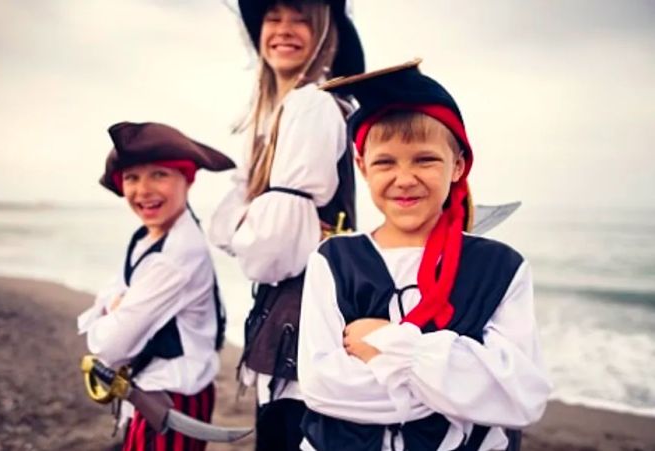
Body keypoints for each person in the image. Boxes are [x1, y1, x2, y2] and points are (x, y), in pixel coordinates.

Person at [297, 60, 551, 450]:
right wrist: (451, 391)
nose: (404, 178)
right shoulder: (333, 260)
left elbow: (520, 396)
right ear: (363, 167)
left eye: (425, 159)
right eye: (385, 162)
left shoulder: (500, 267)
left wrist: (392, 346)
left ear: (458, 165)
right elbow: (321, 387)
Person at [208, 0, 364, 449]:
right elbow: (224, 230)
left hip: (305, 324)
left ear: (325, 34)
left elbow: (268, 255)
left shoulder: (311, 105)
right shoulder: (276, 115)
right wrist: (257, 230)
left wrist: (256, 230)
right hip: (287, 318)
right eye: (273, 18)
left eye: (301, 19)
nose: (284, 29)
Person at [77, 121, 235, 451]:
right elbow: (108, 295)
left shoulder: (176, 255)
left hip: (173, 396)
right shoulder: (147, 237)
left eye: (159, 175)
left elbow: (109, 347)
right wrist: (115, 304)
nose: (143, 190)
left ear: (186, 179)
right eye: (132, 178)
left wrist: (113, 310)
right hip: (149, 388)